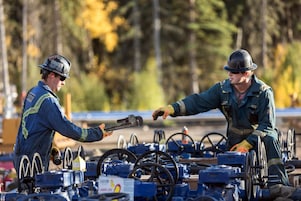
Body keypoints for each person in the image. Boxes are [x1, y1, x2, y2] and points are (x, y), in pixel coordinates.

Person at [152, 49, 301, 199]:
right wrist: (172, 108)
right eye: (229, 71)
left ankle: (278, 187)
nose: (229, 74)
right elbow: (198, 101)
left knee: (271, 138)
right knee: (229, 168)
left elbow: (267, 125)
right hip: (234, 141)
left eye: (234, 72)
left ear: (246, 73)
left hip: (260, 141)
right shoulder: (222, 90)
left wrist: (248, 144)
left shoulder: (263, 92)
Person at [13, 54, 112, 176]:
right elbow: (68, 129)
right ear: (51, 75)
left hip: (22, 158)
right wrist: (97, 133)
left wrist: (50, 149)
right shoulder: (48, 101)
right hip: (33, 164)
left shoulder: (33, 92)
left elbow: (31, 126)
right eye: (62, 78)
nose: (63, 83)